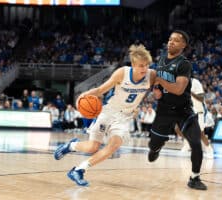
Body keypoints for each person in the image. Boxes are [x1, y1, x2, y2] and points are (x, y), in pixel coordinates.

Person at [54, 44, 156, 186]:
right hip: (109, 111)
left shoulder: (151, 75)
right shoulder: (122, 73)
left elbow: (161, 88)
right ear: (133, 64)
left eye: (146, 65)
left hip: (124, 117)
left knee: (113, 146)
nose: (144, 69)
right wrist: (84, 95)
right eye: (141, 66)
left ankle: (79, 170)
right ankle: (71, 146)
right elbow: (101, 89)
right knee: (92, 147)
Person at [149, 30, 207, 190]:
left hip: (183, 111)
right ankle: (156, 147)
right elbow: (156, 84)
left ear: (183, 45)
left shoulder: (184, 64)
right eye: (170, 39)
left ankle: (195, 178)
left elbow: (179, 89)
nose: (171, 42)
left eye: (175, 40)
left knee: (196, 143)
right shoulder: (161, 59)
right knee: (152, 147)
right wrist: (156, 88)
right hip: (164, 110)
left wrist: (159, 80)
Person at [181, 78, 214, 159]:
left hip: (198, 111)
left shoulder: (195, 82)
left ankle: (209, 150)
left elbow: (201, 98)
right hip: (188, 111)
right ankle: (188, 145)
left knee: (200, 133)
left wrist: (190, 92)